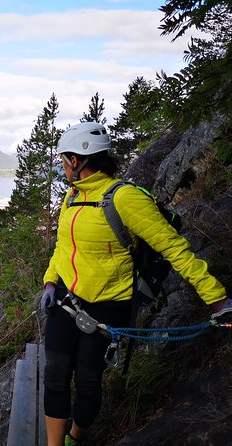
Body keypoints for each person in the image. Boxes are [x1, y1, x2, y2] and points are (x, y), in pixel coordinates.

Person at [39, 121, 231, 446]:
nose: (62, 165)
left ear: (79, 160)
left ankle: (75, 438)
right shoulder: (71, 197)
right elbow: (63, 247)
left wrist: (217, 299)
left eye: (64, 159)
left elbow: (174, 247)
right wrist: (49, 282)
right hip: (65, 300)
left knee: (87, 381)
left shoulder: (124, 199)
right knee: (55, 376)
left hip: (106, 308)